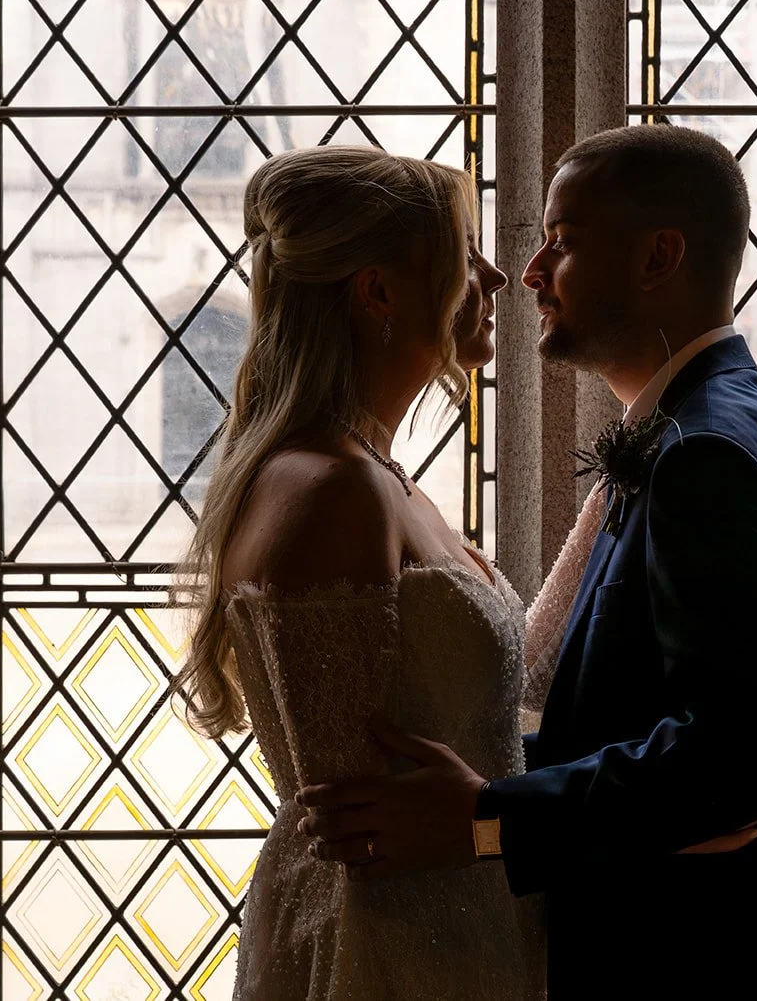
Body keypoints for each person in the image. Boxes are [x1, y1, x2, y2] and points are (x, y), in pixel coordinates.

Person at [299, 124, 757, 997]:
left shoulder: (706, 453)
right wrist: (497, 778)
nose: (531, 272)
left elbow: (755, 740)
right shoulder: (739, 415)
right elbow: (642, 716)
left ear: (659, 256)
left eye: (563, 242)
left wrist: (488, 819)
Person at [175, 145, 545, 999]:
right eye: (462, 247)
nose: (492, 273)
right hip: (393, 946)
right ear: (377, 290)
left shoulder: (371, 475)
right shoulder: (333, 488)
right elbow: (356, 815)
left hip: (463, 916)